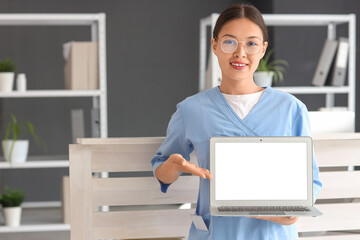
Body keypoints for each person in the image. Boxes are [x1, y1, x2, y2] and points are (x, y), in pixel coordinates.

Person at [151, 3, 322, 240]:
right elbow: (161, 173)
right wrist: (174, 164)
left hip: (272, 234)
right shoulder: (191, 110)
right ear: (215, 45)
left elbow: (311, 179)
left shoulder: (291, 109)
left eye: (251, 43)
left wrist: (293, 210)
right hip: (217, 233)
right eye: (229, 42)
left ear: (263, 49)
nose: (240, 53)